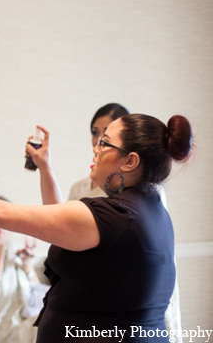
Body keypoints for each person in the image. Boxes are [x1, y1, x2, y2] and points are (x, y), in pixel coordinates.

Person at [0, 113, 193, 342]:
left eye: (105, 142)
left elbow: (1, 212)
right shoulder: (147, 206)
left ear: (130, 161)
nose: (96, 148)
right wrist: (44, 167)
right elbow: (61, 222)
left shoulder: (117, 215)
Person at [63, 103, 183, 340]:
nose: (96, 143)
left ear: (131, 156)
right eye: (94, 133)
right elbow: (58, 221)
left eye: (105, 136)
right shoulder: (81, 186)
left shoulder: (144, 198)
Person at [0, 195, 49, 342]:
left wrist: (27, 263)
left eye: (5, 218)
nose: (0, 224)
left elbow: (38, 298)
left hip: (26, 325)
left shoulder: (14, 251)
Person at [68, 103, 130, 200]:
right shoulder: (78, 188)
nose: (98, 145)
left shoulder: (135, 193)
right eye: (95, 133)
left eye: (106, 136)